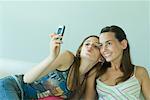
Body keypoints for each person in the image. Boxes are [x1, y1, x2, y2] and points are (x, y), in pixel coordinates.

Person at [0, 33, 102, 100]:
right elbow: (27, 79)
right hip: (13, 86)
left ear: (101, 58)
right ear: (80, 50)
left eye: (96, 46)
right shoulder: (68, 58)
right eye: (87, 44)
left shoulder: (86, 79)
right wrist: (52, 56)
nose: (90, 47)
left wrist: (92, 75)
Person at [85, 25, 150, 100]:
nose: (104, 49)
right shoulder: (95, 72)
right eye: (101, 45)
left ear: (123, 44)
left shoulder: (140, 72)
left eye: (108, 43)